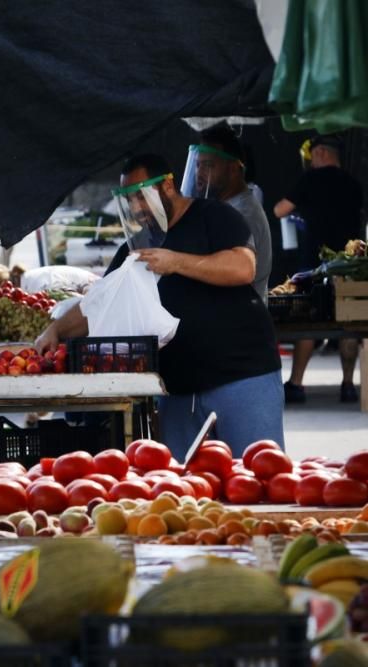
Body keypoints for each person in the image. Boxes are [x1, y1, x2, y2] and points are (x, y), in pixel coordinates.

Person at [35, 154, 282, 461]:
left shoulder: (213, 215)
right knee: (184, 494)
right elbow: (99, 303)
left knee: (257, 476)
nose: (137, 207)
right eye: (130, 199)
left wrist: (176, 261)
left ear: (167, 185)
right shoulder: (136, 247)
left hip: (242, 378)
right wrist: (55, 329)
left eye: (142, 195)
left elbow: (243, 267)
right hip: (177, 391)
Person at [274, 134, 366, 404]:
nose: (311, 162)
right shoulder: (353, 184)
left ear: (322, 153)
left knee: (308, 320)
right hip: (349, 262)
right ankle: (348, 385)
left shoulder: (310, 180)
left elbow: (280, 210)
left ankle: (297, 383)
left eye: (312, 156)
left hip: (314, 263)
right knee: (349, 321)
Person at [182, 123, 272, 301]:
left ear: (233, 169)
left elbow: (229, 273)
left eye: (208, 166)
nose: (199, 173)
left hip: (242, 322)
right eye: (198, 165)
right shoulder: (225, 207)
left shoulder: (243, 213)